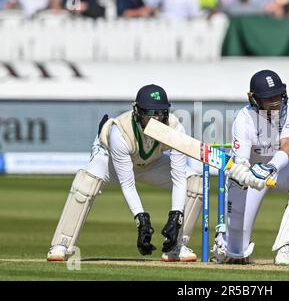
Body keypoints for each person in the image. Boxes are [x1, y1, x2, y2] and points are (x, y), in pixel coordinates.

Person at [47, 85, 203, 262]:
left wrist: (176, 217)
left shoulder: (175, 128)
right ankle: (62, 244)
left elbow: (178, 178)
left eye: (160, 112)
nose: (156, 118)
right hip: (109, 161)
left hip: (151, 163)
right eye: (149, 112)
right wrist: (141, 221)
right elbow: (128, 184)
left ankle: (176, 246)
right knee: (85, 184)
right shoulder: (120, 132)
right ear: (137, 111)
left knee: (195, 184)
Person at [212, 70, 289, 265]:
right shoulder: (244, 118)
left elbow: (288, 146)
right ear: (255, 100)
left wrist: (271, 167)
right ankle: (223, 244)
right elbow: (241, 161)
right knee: (235, 254)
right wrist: (243, 174)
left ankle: (286, 247)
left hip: (281, 167)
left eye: (277, 97)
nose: (275, 104)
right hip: (251, 174)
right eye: (268, 100)